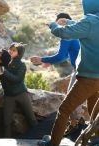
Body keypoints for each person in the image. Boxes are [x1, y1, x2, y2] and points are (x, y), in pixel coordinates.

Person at [38, 0, 99, 146]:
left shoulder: (90, 21)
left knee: (64, 111)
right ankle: (96, 141)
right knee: (93, 113)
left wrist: (54, 25)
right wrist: (70, 22)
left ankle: (52, 143)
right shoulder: (92, 22)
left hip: (88, 78)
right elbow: (86, 27)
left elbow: (63, 33)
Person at [30, 13, 84, 136]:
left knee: (70, 99)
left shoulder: (67, 35)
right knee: (77, 98)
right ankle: (78, 123)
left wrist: (42, 59)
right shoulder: (79, 30)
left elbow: (60, 56)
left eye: (60, 23)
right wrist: (48, 61)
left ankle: (76, 124)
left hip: (81, 71)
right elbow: (64, 56)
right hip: (89, 69)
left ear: (65, 21)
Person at [0, 42, 38, 137]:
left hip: (21, 94)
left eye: (13, 50)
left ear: (19, 53)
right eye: (10, 49)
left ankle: (38, 138)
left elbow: (17, 79)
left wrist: (4, 71)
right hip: (8, 96)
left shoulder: (22, 65)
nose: (10, 51)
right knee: (6, 122)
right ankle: (6, 142)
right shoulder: (4, 62)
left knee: (32, 119)